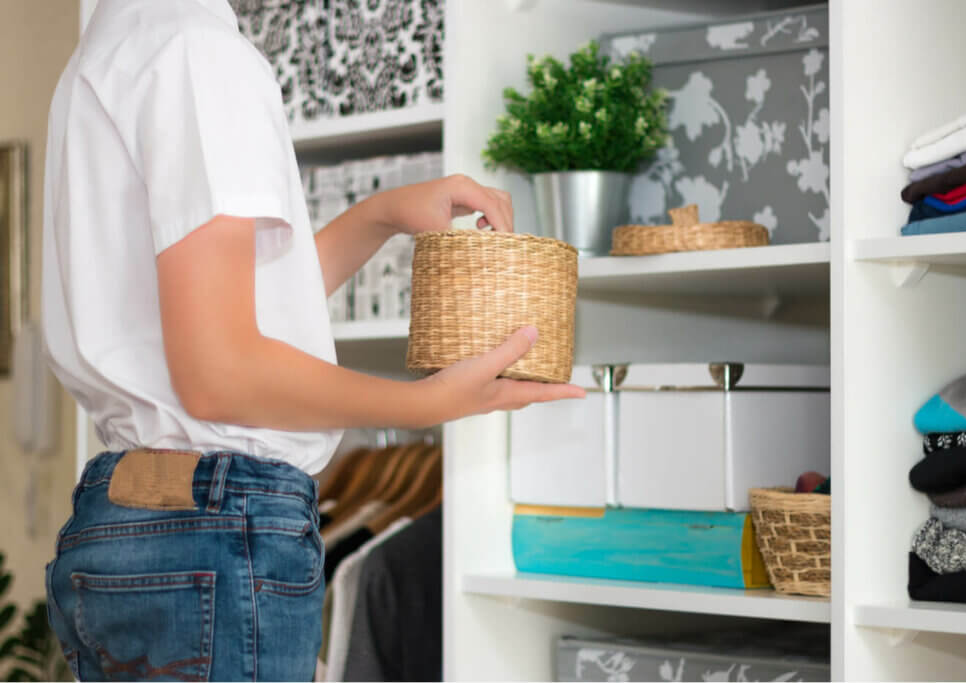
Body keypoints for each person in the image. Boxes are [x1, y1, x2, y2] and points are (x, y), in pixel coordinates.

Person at [41, 0, 583, 680]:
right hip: (215, 529)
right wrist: (428, 404)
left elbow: (219, 317)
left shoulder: (115, 43)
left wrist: (378, 216)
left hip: (122, 521)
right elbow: (219, 373)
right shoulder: (197, 51)